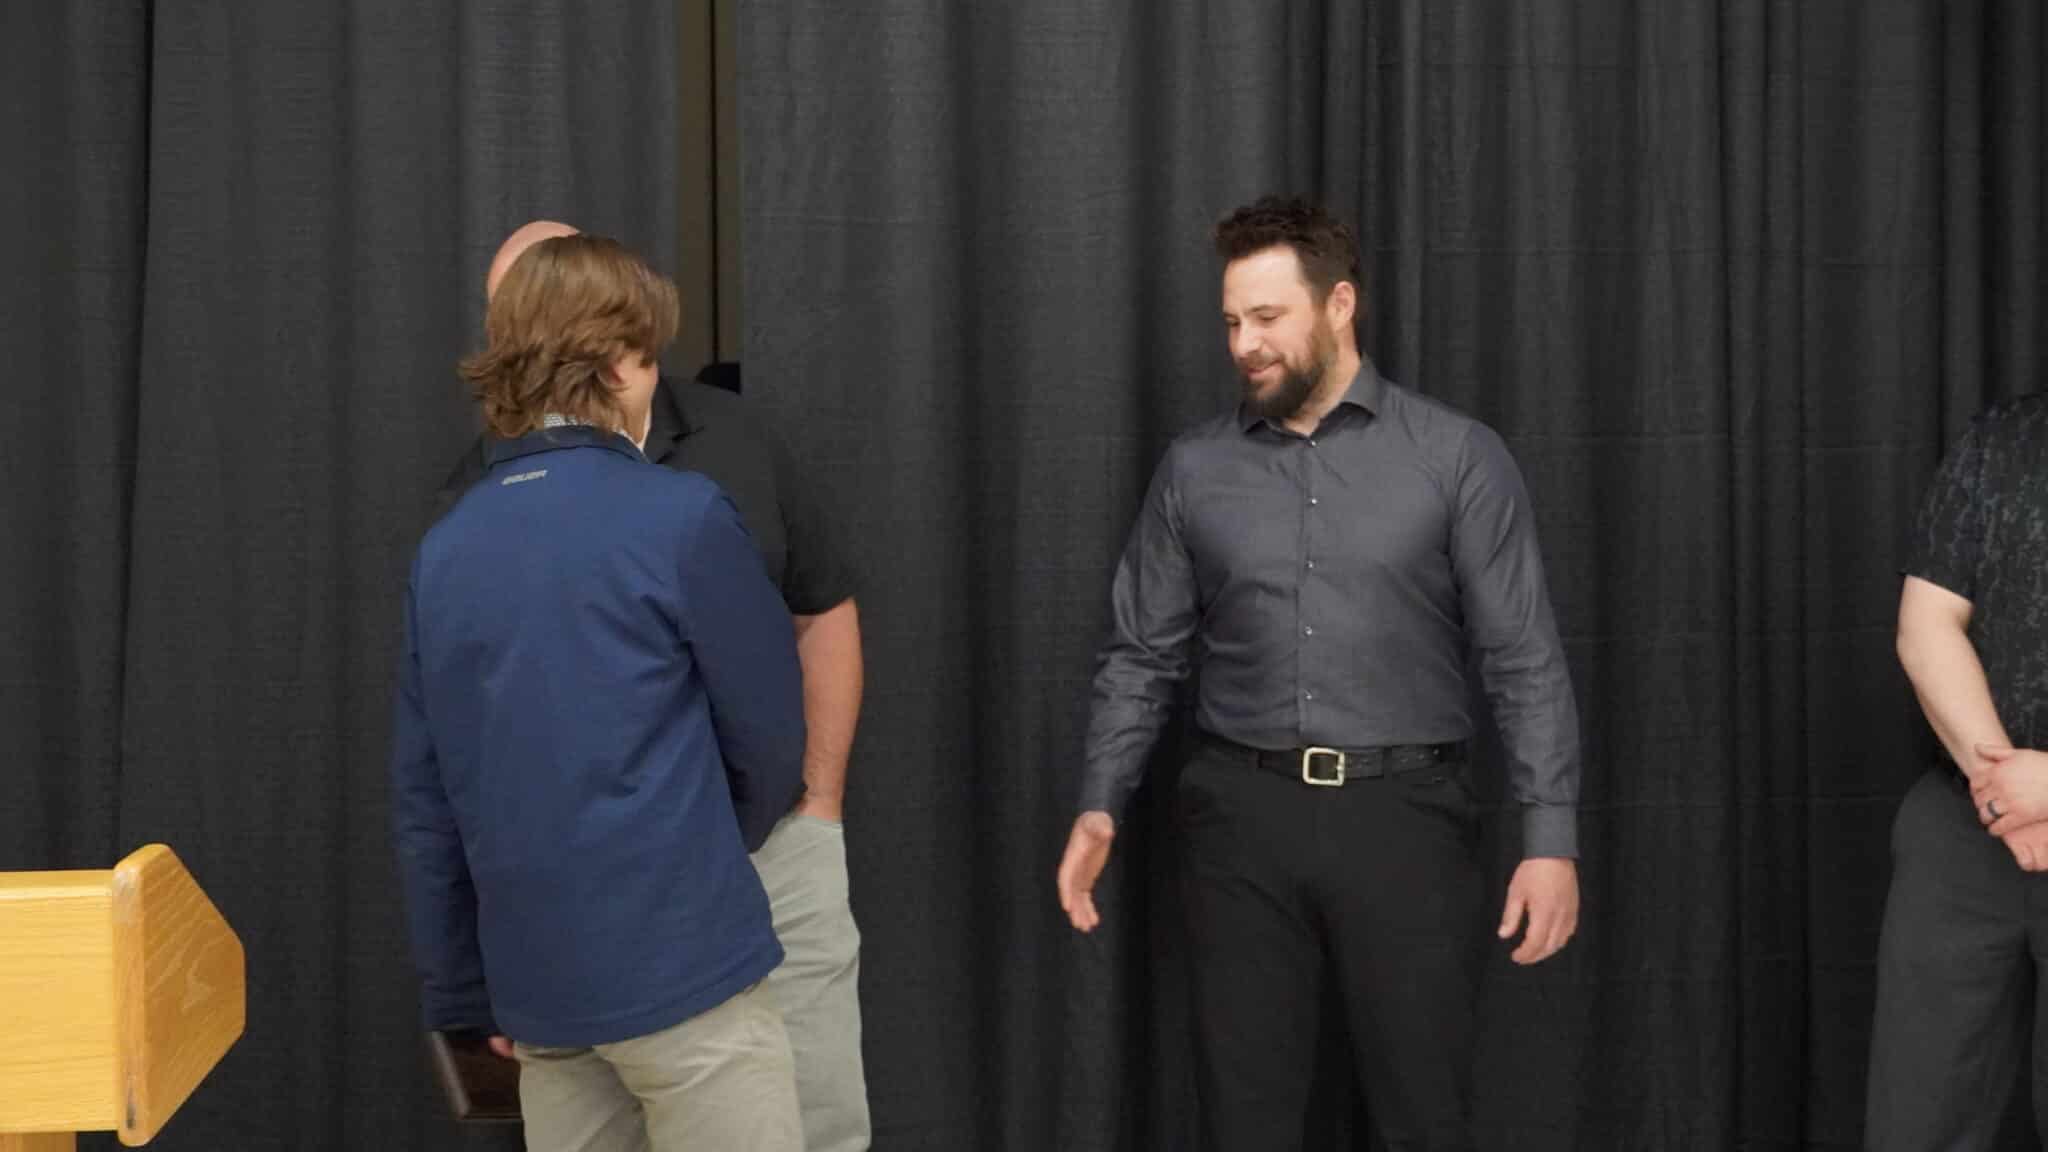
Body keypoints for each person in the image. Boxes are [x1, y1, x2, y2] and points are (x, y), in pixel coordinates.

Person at [1056, 196, 1582, 1150]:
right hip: (1239, 822)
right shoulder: (1194, 469)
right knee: (1243, 1117)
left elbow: (1523, 657)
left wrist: (1550, 837)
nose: (1244, 344)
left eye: (1267, 317)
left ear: (1340, 305)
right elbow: (1141, 654)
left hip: (1407, 822)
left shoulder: (1456, 457)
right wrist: (1101, 800)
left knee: (1422, 1112)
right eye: (1231, 322)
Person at [437, 221, 871, 1152]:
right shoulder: (473, 506)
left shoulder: (734, 441)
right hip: (600, 903)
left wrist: (813, 805)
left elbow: (819, 612)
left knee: (820, 1115)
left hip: (770, 850)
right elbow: (456, 750)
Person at [1866, 394, 2048, 1148]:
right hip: (1966, 826)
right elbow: (1926, 626)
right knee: (1919, 1120)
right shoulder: (2002, 439)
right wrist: (2003, 791)